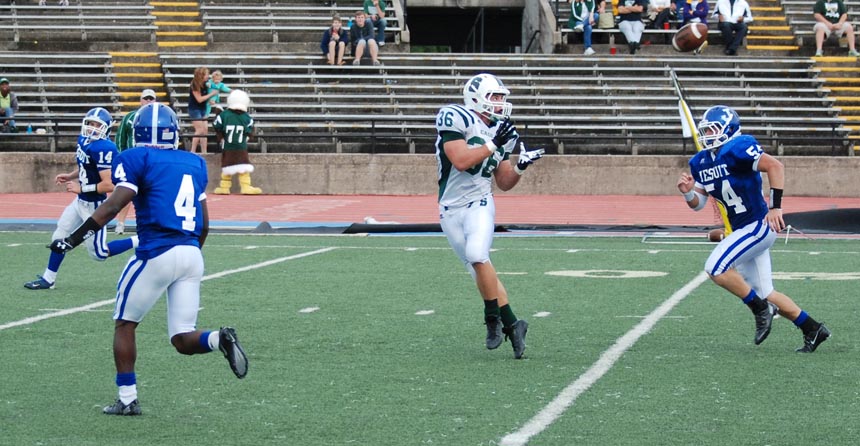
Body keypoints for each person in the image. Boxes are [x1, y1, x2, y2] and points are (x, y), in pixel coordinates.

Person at [48, 102, 249, 416]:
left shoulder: (135, 157)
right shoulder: (194, 163)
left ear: (138, 132)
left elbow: (113, 205)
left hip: (156, 252)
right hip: (191, 254)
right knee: (182, 337)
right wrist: (190, 252)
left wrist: (73, 239)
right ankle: (218, 339)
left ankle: (127, 399)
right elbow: (205, 224)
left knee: (124, 324)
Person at [677, 105, 830, 353]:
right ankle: (812, 329)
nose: (708, 134)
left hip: (758, 225)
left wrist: (775, 207)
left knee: (715, 267)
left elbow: (775, 166)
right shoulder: (700, 161)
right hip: (742, 230)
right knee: (765, 292)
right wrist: (687, 193)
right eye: (705, 130)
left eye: (713, 129)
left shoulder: (739, 147)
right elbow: (698, 204)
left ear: (729, 129)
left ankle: (760, 309)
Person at [434, 73, 545, 359]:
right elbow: (460, 161)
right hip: (449, 209)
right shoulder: (455, 116)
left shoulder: (503, 131)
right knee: (479, 268)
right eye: (495, 97)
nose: (500, 102)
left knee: (477, 255)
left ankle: (492, 320)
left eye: (501, 97)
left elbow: (503, 181)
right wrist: (494, 143)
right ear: (476, 98)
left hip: (480, 202)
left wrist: (520, 167)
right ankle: (514, 325)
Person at [24, 107, 138, 290]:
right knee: (59, 236)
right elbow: (86, 165)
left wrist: (81, 188)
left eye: (97, 125)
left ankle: (139, 239)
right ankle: (48, 279)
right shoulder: (84, 140)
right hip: (80, 202)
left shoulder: (105, 148)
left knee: (99, 253)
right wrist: (71, 176)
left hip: (95, 207)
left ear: (106, 128)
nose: (92, 128)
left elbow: (109, 184)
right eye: (90, 123)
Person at [113, 88, 158, 234]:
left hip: (150, 162)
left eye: (151, 99)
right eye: (146, 98)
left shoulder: (158, 119)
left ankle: (152, 224)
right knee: (126, 191)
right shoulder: (130, 117)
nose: (148, 101)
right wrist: (122, 157)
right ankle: (120, 223)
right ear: (140, 100)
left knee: (151, 194)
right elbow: (120, 138)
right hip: (132, 161)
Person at [212, 90, 262, 195]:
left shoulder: (224, 115)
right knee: (243, 168)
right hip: (241, 146)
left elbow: (217, 125)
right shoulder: (246, 117)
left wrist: (218, 113)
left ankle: (224, 187)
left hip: (227, 146)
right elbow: (250, 131)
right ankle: (245, 186)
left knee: (227, 167)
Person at [188, 66, 219, 154]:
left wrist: (211, 100)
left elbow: (205, 96)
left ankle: (204, 151)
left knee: (205, 130)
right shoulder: (194, 84)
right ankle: (192, 150)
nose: (208, 76)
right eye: (206, 74)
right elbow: (199, 99)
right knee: (199, 129)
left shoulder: (206, 84)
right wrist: (211, 94)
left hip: (203, 108)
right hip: (194, 109)